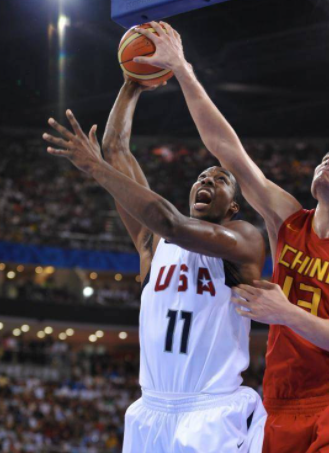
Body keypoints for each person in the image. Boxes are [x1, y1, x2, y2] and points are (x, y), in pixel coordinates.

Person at [133, 21, 329, 453]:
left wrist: (288, 313)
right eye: (327, 157)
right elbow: (227, 149)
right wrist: (182, 69)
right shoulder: (287, 220)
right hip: (279, 407)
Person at [42, 78, 267, 453]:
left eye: (220, 179)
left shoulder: (244, 239)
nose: (207, 179)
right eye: (202, 177)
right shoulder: (153, 243)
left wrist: (95, 168)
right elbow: (116, 150)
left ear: (233, 206)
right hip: (150, 412)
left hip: (212, 412)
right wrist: (130, 86)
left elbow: (172, 223)